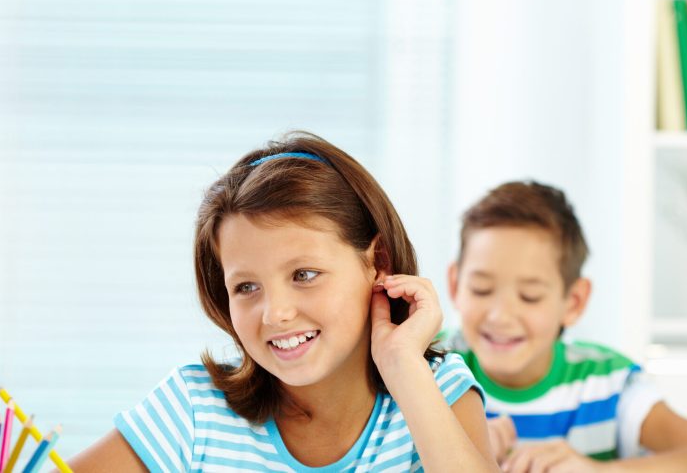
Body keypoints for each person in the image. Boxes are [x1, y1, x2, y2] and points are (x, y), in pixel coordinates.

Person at [71, 132, 496, 472]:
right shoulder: (193, 411)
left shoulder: (436, 391)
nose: (275, 313)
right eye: (246, 287)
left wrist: (404, 366)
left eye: (304, 275)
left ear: (377, 262)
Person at [442, 180, 687, 472]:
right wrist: (457, 456)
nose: (500, 316)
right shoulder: (429, 369)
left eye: (529, 296)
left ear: (574, 301)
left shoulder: (607, 382)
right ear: (455, 285)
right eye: (481, 290)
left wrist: (596, 470)